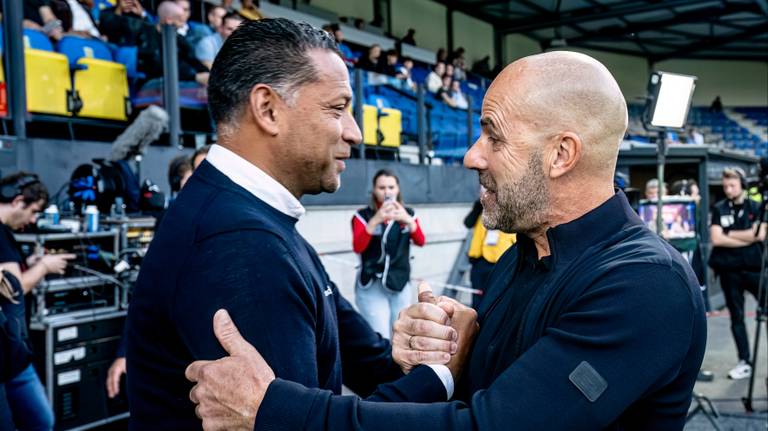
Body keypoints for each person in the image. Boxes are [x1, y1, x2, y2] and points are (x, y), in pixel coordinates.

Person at [187, 50, 708, 431]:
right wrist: (453, 355)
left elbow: (494, 426)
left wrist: (272, 409)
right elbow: (486, 392)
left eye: (494, 136)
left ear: (560, 155)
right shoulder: (523, 255)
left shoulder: (645, 284)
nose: (472, 155)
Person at [127, 18, 468, 430]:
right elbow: (303, 423)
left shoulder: (256, 219)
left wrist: (421, 353)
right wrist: (444, 371)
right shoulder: (241, 243)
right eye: (337, 109)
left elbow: (366, 362)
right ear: (268, 109)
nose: (355, 132)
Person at [0, 172, 76, 431]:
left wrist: (27, 264)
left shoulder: (5, 234)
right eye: (33, 211)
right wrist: (43, 266)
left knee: (40, 421)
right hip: (7, 352)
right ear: (18, 201)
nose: (33, 220)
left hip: (15, 354)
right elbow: (13, 286)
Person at [352, 170, 425, 339]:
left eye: (391, 187)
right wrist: (375, 220)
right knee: (380, 336)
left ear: (398, 189)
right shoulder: (363, 215)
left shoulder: (409, 213)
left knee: (400, 335)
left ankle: (396, 366)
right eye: (382, 187)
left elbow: (421, 241)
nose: (387, 192)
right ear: (374, 190)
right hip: (372, 283)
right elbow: (358, 246)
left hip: (400, 282)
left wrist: (407, 220)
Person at [708, 167, 766, 380]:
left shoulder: (757, 207)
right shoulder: (719, 208)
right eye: (725, 186)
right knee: (737, 317)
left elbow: (759, 235)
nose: (728, 189)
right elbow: (716, 238)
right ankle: (744, 361)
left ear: (742, 184)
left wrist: (729, 234)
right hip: (729, 271)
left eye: (732, 185)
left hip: (755, 270)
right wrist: (746, 237)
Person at [463, 193, 516, 309]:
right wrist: (477, 206)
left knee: (496, 301)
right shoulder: (481, 207)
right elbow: (468, 223)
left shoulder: (511, 208)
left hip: (501, 262)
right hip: (479, 261)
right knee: (477, 300)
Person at [137, 1, 209, 86]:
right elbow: (157, 66)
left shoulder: (178, 38)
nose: (182, 23)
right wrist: (194, 76)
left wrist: (206, 74)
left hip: (179, 84)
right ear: (169, 20)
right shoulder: (146, 36)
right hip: (153, 86)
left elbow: (193, 59)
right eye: (179, 19)